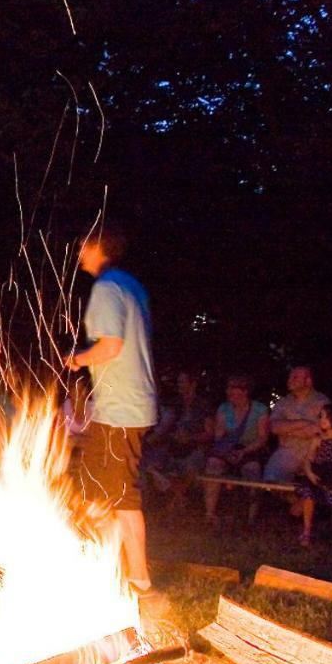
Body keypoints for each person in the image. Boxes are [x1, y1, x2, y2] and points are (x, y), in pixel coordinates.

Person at [64, 225, 158, 607]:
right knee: (100, 494)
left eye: (82, 246)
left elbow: (112, 346)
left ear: (98, 247)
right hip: (126, 407)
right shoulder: (130, 285)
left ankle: (139, 583)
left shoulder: (106, 288)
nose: (78, 253)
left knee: (120, 498)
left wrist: (76, 360)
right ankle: (107, 570)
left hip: (121, 409)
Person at [201, 375, 269, 527]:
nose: (229, 392)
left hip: (251, 448)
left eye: (233, 388)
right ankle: (210, 514)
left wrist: (244, 452)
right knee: (213, 465)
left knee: (252, 469)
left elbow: (262, 437)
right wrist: (226, 452)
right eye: (229, 389)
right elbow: (219, 436)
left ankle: (250, 517)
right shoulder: (224, 409)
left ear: (244, 391)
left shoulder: (259, 409)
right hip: (228, 448)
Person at [294, 404, 332, 548]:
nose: (322, 420)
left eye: (326, 417)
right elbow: (308, 460)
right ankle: (307, 530)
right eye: (321, 416)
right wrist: (310, 474)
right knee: (308, 494)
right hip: (319, 475)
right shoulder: (318, 439)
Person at [143, 370, 210, 500]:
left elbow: (209, 433)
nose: (179, 385)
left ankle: (177, 497)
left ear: (193, 384)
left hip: (195, 448)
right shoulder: (175, 404)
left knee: (193, 463)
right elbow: (166, 428)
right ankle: (177, 494)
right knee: (151, 464)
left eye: (182, 382)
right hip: (173, 447)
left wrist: (190, 438)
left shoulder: (203, 406)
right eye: (179, 382)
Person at [264, 366, 330, 491]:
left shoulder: (322, 402)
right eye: (289, 377)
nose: (290, 380)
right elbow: (274, 427)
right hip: (287, 450)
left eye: (295, 377)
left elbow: (318, 430)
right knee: (271, 480)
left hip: (313, 452)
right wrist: (303, 422)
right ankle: (293, 502)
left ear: (308, 381)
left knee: (319, 484)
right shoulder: (283, 402)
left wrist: (287, 429)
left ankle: (303, 505)